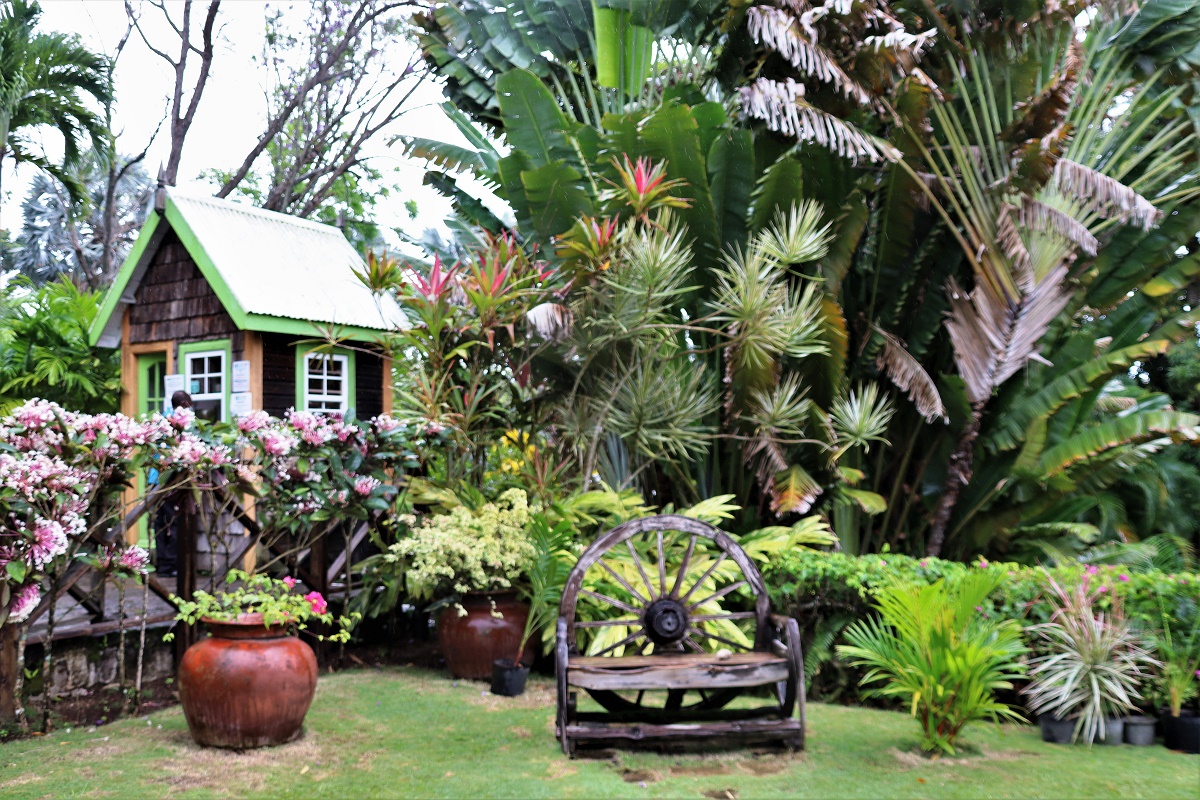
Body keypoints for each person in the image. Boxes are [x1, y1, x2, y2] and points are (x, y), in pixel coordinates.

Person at [151, 391, 193, 577]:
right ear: (184, 404)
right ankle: (171, 565)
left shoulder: (161, 421)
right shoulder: (179, 424)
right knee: (174, 523)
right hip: (171, 480)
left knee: (160, 524)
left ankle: (162, 565)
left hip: (155, 480)